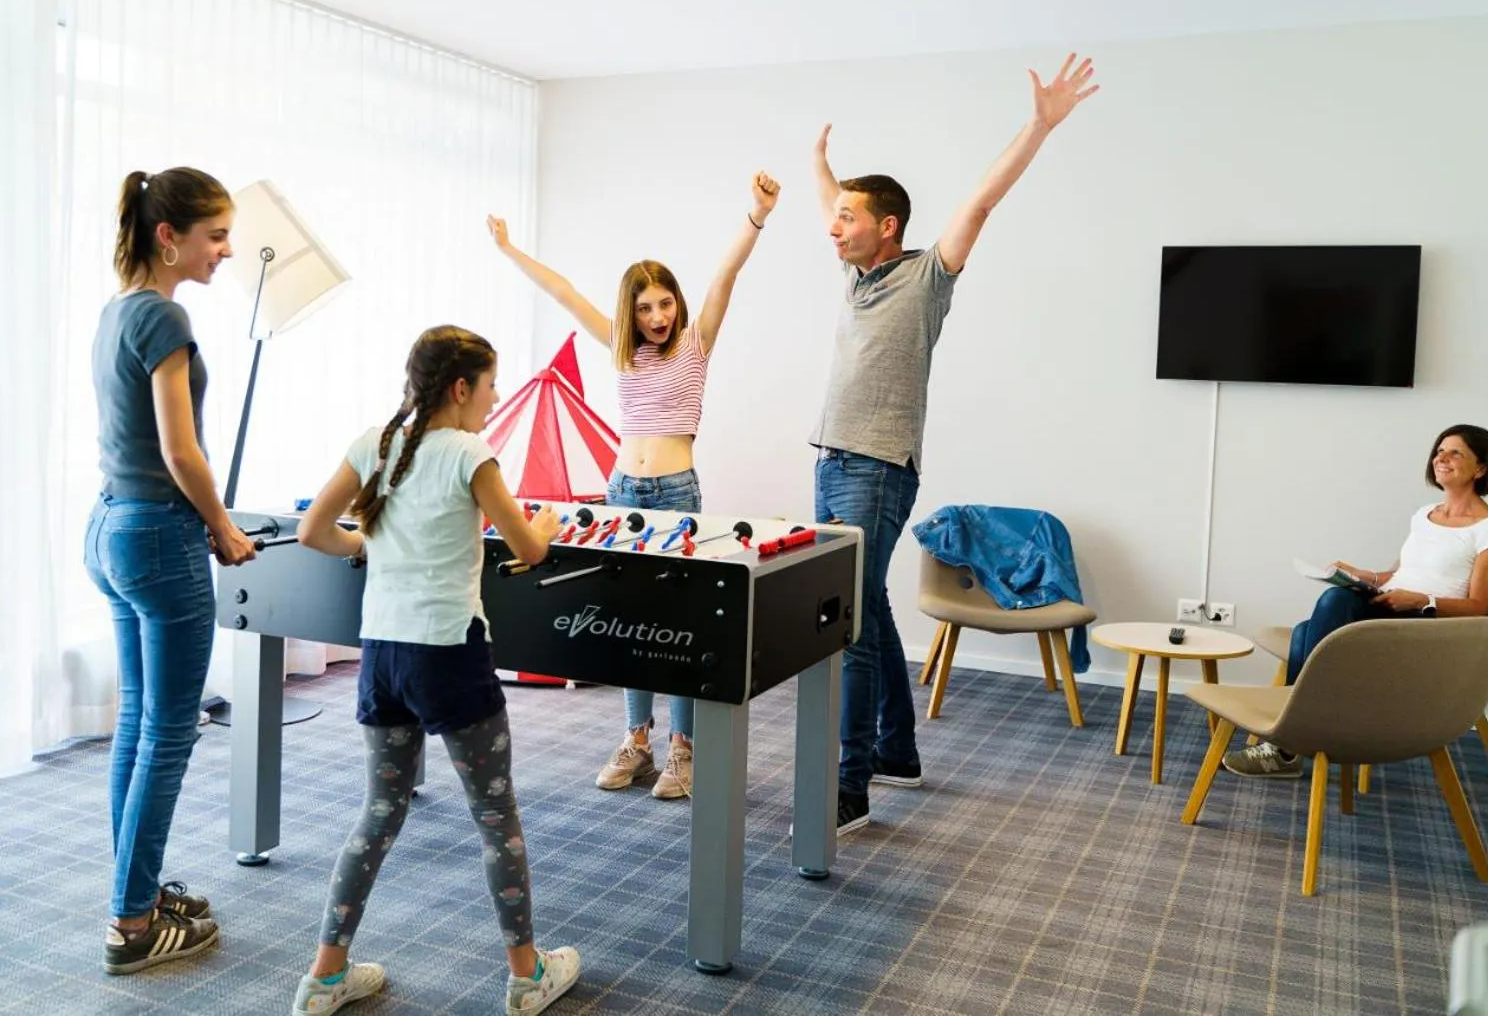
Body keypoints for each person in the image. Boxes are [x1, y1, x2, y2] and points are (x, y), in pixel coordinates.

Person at [810, 55, 1100, 836]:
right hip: (831, 458)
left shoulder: (924, 276)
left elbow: (981, 198)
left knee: (849, 622)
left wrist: (1038, 124)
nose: (832, 225)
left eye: (846, 216)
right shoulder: (856, 279)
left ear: (888, 227)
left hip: (875, 468)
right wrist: (821, 169)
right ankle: (896, 752)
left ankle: (849, 785)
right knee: (864, 606)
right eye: (831, 214)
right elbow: (833, 210)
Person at [289, 325, 582, 1016]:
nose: (496, 395)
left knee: (379, 813)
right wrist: (543, 527)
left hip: (383, 658)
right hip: (449, 656)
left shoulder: (376, 443)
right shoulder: (470, 452)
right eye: (489, 383)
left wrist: (367, 545)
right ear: (460, 388)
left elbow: (312, 533)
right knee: (495, 817)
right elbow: (527, 548)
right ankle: (524, 976)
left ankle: (324, 977)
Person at [486, 171, 780, 800]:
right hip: (623, 491)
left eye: (664, 303)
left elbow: (725, 277)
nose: (656, 316)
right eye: (644, 307)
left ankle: (684, 749)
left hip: (675, 493)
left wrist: (755, 215)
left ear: (677, 303)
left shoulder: (696, 342)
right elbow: (564, 293)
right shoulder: (622, 348)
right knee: (627, 621)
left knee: (674, 623)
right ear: (631, 312)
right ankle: (636, 740)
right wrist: (510, 250)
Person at [85, 166, 257, 974]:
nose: (225, 251)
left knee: (138, 720)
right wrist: (221, 528)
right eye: (215, 235)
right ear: (169, 236)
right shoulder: (164, 315)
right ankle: (132, 924)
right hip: (159, 534)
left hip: (112, 525)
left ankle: (137, 892)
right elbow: (179, 448)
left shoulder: (117, 310)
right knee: (166, 733)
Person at [1225, 424, 1488, 778]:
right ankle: (1293, 741)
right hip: (1394, 607)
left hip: (1430, 627)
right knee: (1330, 602)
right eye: (1439, 450)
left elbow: (1480, 607)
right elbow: (1398, 575)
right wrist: (1362, 576)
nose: (1442, 458)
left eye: (1455, 453)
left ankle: (1286, 745)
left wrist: (1421, 600)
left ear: (1481, 468)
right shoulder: (1425, 515)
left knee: (1307, 631)